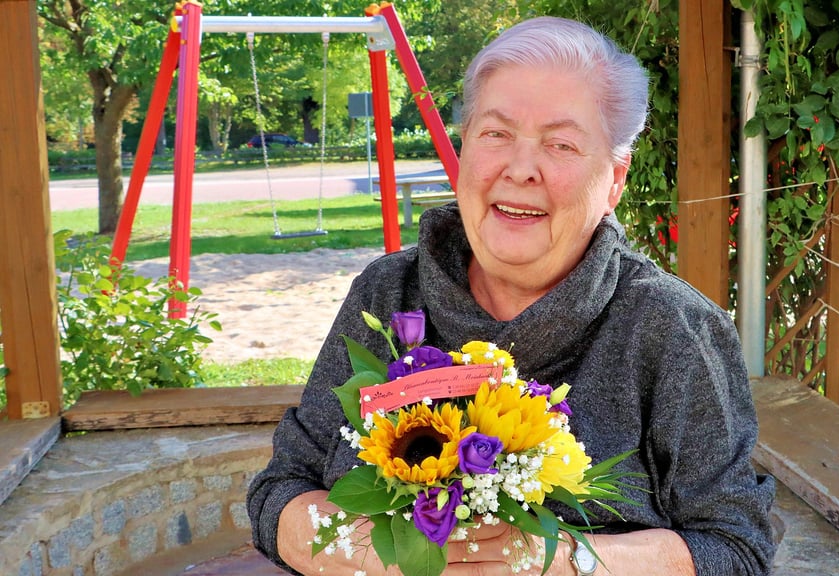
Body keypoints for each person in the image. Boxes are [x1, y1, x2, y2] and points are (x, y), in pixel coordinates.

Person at [248, 16, 776, 576]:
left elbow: (735, 550)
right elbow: (281, 492)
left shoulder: (672, 327)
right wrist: (383, 559)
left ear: (615, 181)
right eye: (496, 134)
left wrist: (563, 561)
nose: (520, 169)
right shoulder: (387, 293)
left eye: (561, 144)